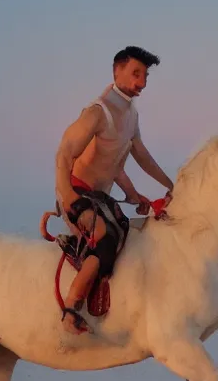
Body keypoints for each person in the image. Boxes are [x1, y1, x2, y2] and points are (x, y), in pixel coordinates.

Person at [53, 46, 174, 334]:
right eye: (135, 74)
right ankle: (71, 309)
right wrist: (68, 196)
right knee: (105, 239)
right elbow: (64, 154)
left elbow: (129, 159)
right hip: (77, 194)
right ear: (116, 71)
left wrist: (164, 188)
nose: (141, 82)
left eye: (144, 76)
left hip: (100, 199)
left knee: (138, 231)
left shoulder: (130, 114)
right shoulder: (99, 111)